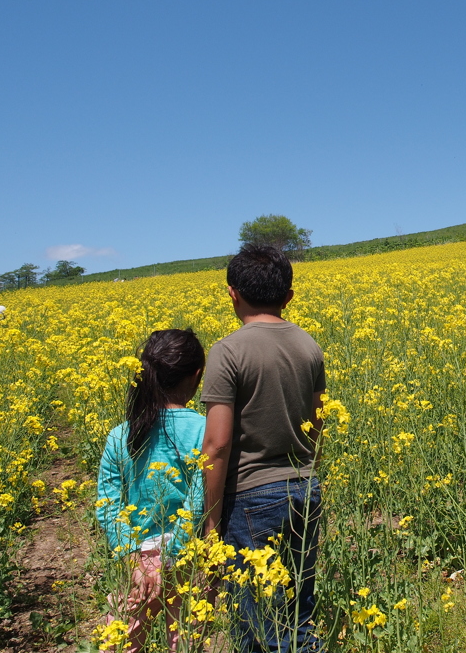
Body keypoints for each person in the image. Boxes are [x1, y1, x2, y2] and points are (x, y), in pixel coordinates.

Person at [201, 244, 326, 653]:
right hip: (305, 490)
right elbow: (316, 424)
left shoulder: (227, 351)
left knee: (260, 621)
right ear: (289, 296)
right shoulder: (309, 346)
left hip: (252, 499)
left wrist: (210, 524)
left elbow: (217, 445)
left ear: (232, 293)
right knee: (298, 612)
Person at [96, 329, 207, 653]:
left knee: (119, 642)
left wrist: (133, 559)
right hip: (190, 556)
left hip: (138, 559)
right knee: (186, 643)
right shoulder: (204, 430)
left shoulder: (121, 435)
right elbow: (199, 500)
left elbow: (108, 503)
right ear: (196, 375)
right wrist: (173, 558)